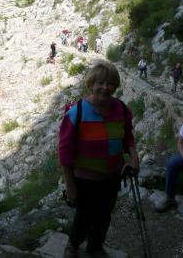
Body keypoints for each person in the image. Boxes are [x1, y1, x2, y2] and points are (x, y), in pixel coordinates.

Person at [59, 61, 139, 257]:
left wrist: (134, 158)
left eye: (110, 83)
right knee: (84, 215)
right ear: (90, 84)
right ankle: (73, 245)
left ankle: (95, 246)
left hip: (112, 175)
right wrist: (70, 184)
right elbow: (64, 151)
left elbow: (127, 136)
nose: (105, 87)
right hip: (85, 178)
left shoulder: (121, 109)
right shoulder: (76, 112)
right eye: (100, 83)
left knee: (104, 214)